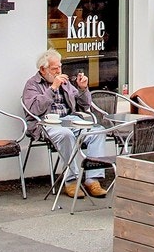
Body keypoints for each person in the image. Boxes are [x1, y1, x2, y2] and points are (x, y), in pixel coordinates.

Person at [21, 49, 109, 198]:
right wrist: (53, 88)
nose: (59, 71)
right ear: (43, 69)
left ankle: (92, 180)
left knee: (98, 131)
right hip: (46, 123)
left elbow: (84, 105)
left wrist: (83, 89)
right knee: (66, 135)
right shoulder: (32, 84)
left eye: (60, 67)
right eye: (55, 68)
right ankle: (71, 181)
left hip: (69, 119)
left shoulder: (66, 83)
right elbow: (35, 109)